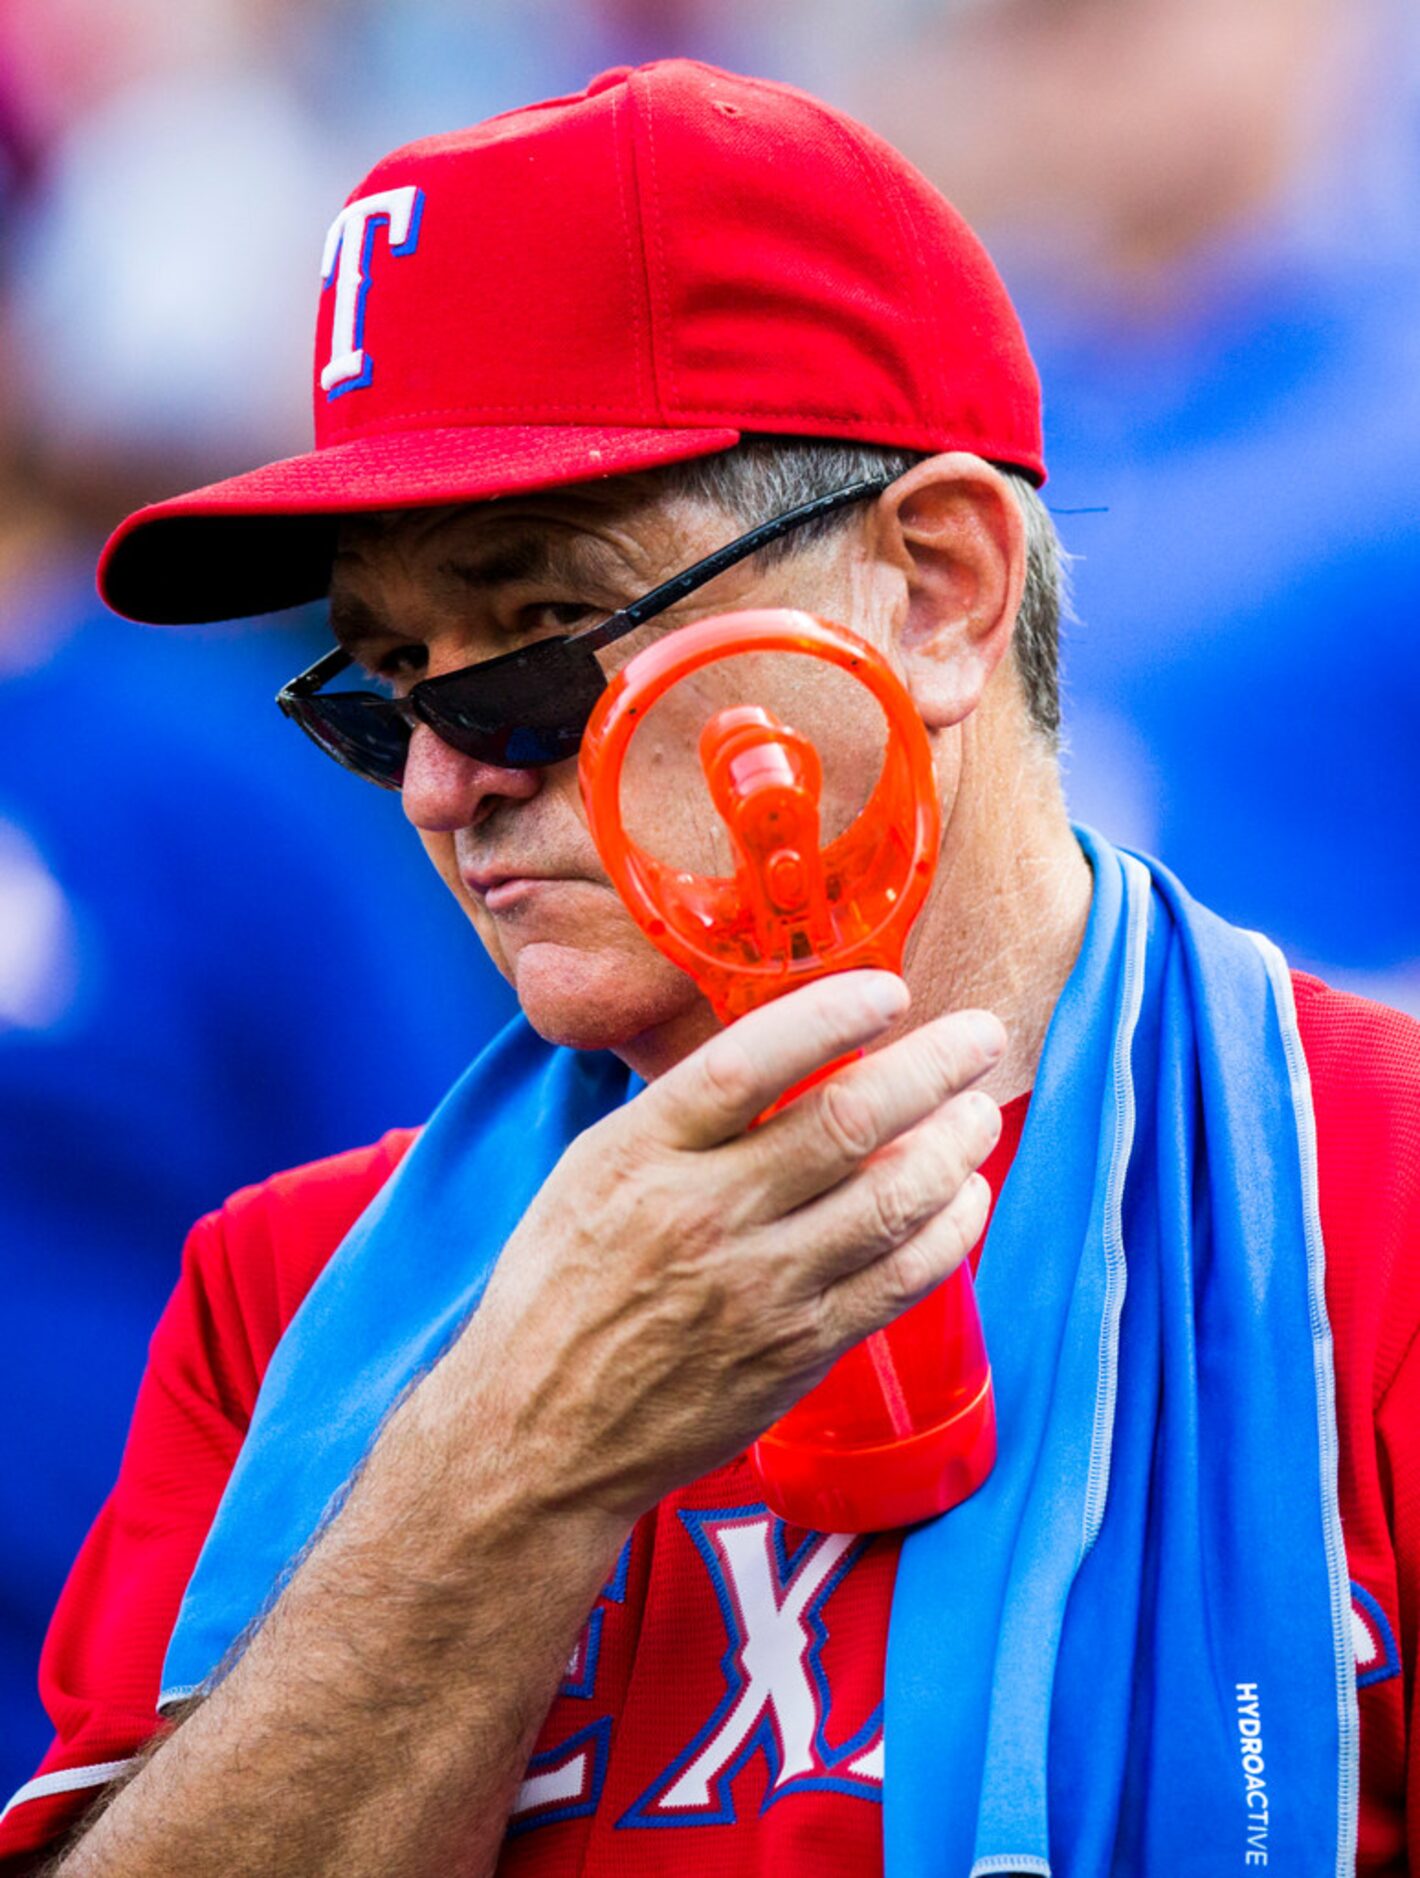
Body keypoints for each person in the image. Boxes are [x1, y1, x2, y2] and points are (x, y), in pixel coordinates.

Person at [2, 58, 1417, 1878]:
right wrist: (509, 1465)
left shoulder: (1366, 1204)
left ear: (935, 591)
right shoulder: (283, 1297)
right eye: (380, 684)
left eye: (530, 636)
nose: (446, 778)